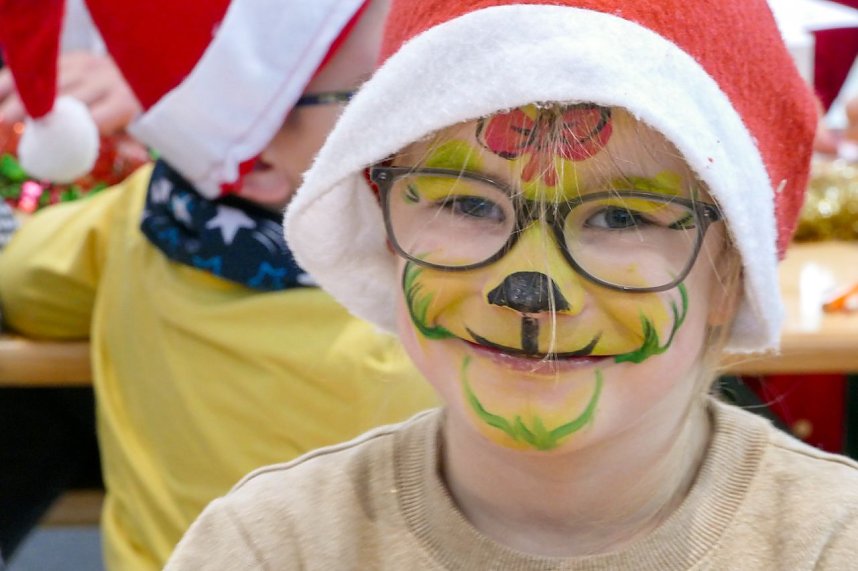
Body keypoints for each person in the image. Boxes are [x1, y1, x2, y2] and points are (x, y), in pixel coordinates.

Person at [166, 0, 858, 568]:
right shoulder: (269, 548)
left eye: (620, 215)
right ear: (384, 226)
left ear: (731, 272)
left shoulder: (829, 544)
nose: (529, 290)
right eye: (468, 204)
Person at [0, 0, 435, 569]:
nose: (429, 109)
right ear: (254, 163)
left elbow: (25, 285)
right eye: (373, 92)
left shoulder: (136, 225)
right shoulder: (459, 290)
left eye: (423, 70)